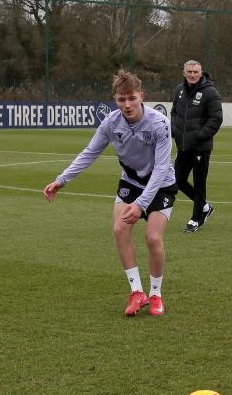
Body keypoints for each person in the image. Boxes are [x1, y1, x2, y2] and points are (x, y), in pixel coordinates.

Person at [42, 70, 177, 317]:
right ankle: (137, 293)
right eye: (121, 99)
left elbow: (160, 168)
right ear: (115, 99)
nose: (127, 105)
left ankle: (156, 294)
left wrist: (141, 204)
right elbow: (90, 152)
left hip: (161, 184)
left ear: (142, 96)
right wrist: (62, 179)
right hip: (131, 182)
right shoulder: (110, 123)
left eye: (132, 98)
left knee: (153, 238)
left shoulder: (159, 123)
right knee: (119, 228)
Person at [171, 60, 223, 233]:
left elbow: (216, 119)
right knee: (177, 180)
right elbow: (174, 112)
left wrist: (199, 136)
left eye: (195, 72)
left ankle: (196, 219)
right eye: (189, 71)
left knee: (199, 183)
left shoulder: (210, 92)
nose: (192, 75)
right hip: (183, 145)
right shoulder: (179, 90)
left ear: (201, 73)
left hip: (201, 147)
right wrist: (175, 131)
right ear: (183, 72)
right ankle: (205, 207)